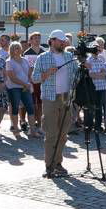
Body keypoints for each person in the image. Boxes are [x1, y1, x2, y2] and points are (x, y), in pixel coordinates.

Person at [32, 30, 78, 178]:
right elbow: (34, 78)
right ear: (52, 41)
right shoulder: (42, 57)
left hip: (66, 98)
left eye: (64, 41)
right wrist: (46, 74)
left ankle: (58, 163)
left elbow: (77, 75)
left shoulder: (69, 56)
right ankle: (49, 165)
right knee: (51, 134)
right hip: (50, 99)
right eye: (60, 41)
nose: (63, 43)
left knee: (63, 134)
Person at [5, 41, 40, 137]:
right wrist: (25, 84)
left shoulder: (25, 60)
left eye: (19, 47)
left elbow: (29, 73)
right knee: (15, 108)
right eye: (16, 48)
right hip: (14, 88)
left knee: (30, 108)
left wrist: (29, 82)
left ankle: (32, 130)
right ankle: (16, 129)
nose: (18, 49)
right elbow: (12, 77)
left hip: (26, 87)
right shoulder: (9, 62)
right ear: (11, 50)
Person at [23, 32, 46, 131]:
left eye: (38, 38)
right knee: (31, 103)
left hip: (42, 81)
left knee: (40, 103)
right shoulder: (27, 53)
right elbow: (26, 68)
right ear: (30, 40)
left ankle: (40, 124)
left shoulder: (44, 52)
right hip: (31, 81)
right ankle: (30, 123)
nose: (37, 39)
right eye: (35, 38)